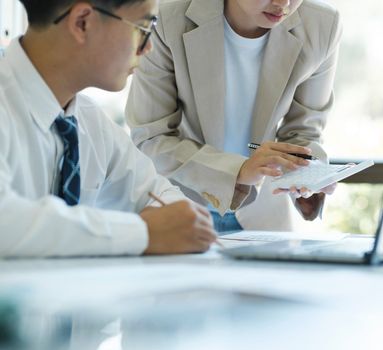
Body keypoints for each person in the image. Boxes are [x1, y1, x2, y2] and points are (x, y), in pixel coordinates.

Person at [0, 0, 218, 258]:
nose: (148, 48)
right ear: (83, 22)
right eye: (143, 28)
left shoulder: (90, 121)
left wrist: (177, 224)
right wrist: (142, 233)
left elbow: (162, 197)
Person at [125, 0, 342, 232]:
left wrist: (308, 172)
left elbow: (304, 132)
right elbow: (151, 138)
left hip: (262, 210)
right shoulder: (167, 19)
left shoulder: (321, 24)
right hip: (178, 202)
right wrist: (238, 170)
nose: (284, 4)